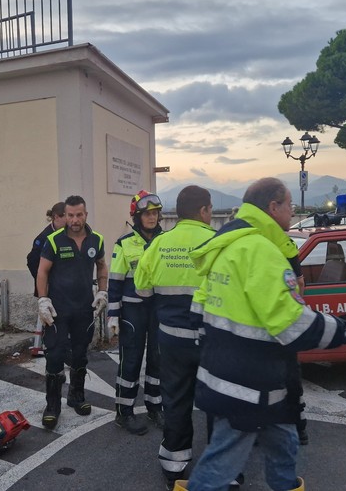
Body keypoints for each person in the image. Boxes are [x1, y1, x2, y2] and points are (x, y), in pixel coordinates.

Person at [185, 177, 346, 491]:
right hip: (247, 386)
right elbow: (293, 325)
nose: (294, 210)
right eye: (290, 205)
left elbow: (199, 308)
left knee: (284, 444)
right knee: (218, 468)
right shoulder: (262, 251)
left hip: (244, 378)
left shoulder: (231, 245)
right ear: (273, 207)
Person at [134, 185, 216, 490]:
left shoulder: (159, 244)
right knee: (218, 403)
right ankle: (224, 469)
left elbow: (142, 290)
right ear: (205, 211)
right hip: (212, 341)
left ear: (177, 213)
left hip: (171, 340)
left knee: (176, 400)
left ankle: (174, 466)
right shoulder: (218, 243)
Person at [36, 195, 108, 429]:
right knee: (55, 355)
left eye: (79, 215)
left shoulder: (96, 240)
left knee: (80, 354)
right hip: (58, 310)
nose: (74, 220)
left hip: (84, 309)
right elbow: (42, 271)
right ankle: (52, 406)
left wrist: (102, 292)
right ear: (64, 216)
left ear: (85, 215)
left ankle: (76, 397)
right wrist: (43, 299)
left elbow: (101, 266)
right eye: (70, 215)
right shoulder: (54, 240)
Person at [108, 190, 164, 435]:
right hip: (132, 311)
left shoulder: (166, 242)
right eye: (147, 214)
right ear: (137, 216)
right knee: (130, 361)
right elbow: (115, 281)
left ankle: (155, 406)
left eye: (155, 213)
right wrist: (112, 314)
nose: (152, 218)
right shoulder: (124, 244)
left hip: (159, 311)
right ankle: (124, 412)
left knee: (157, 360)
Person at [27, 202, 66, 296]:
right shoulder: (43, 238)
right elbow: (32, 261)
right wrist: (44, 282)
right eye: (67, 216)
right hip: (50, 290)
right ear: (56, 217)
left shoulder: (67, 234)